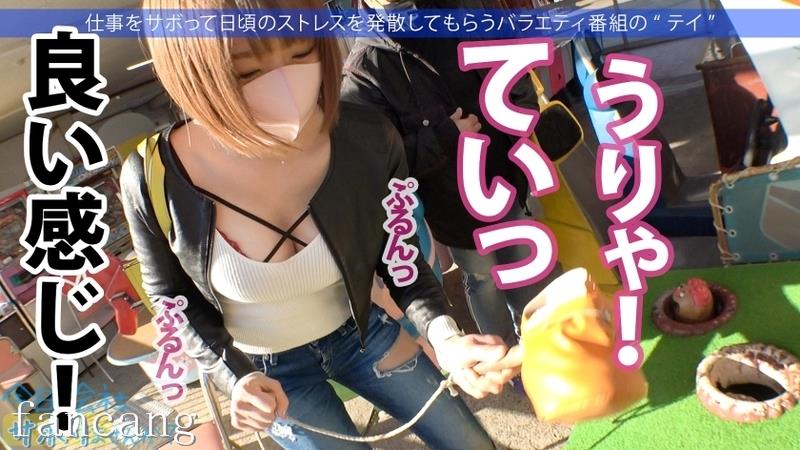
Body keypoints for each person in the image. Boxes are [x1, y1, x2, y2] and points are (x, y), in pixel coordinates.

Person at [122, 1, 516, 449]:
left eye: (301, 51)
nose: (286, 86)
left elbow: (400, 258)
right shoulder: (157, 177)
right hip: (268, 373)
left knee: (469, 442)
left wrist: (446, 339)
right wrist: (234, 378)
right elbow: (171, 297)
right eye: (246, 71)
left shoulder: (365, 136)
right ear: (191, 69)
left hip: (361, 334)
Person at [341, 0, 563, 348]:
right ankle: (504, 356)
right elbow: (376, 162)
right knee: (482, 278)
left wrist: (522, 113)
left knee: (524, 264)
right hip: (453, 205)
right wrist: (444, 136)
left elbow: (511, 59)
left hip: (506, 176)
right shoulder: (364, 70)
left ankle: (541, 351)